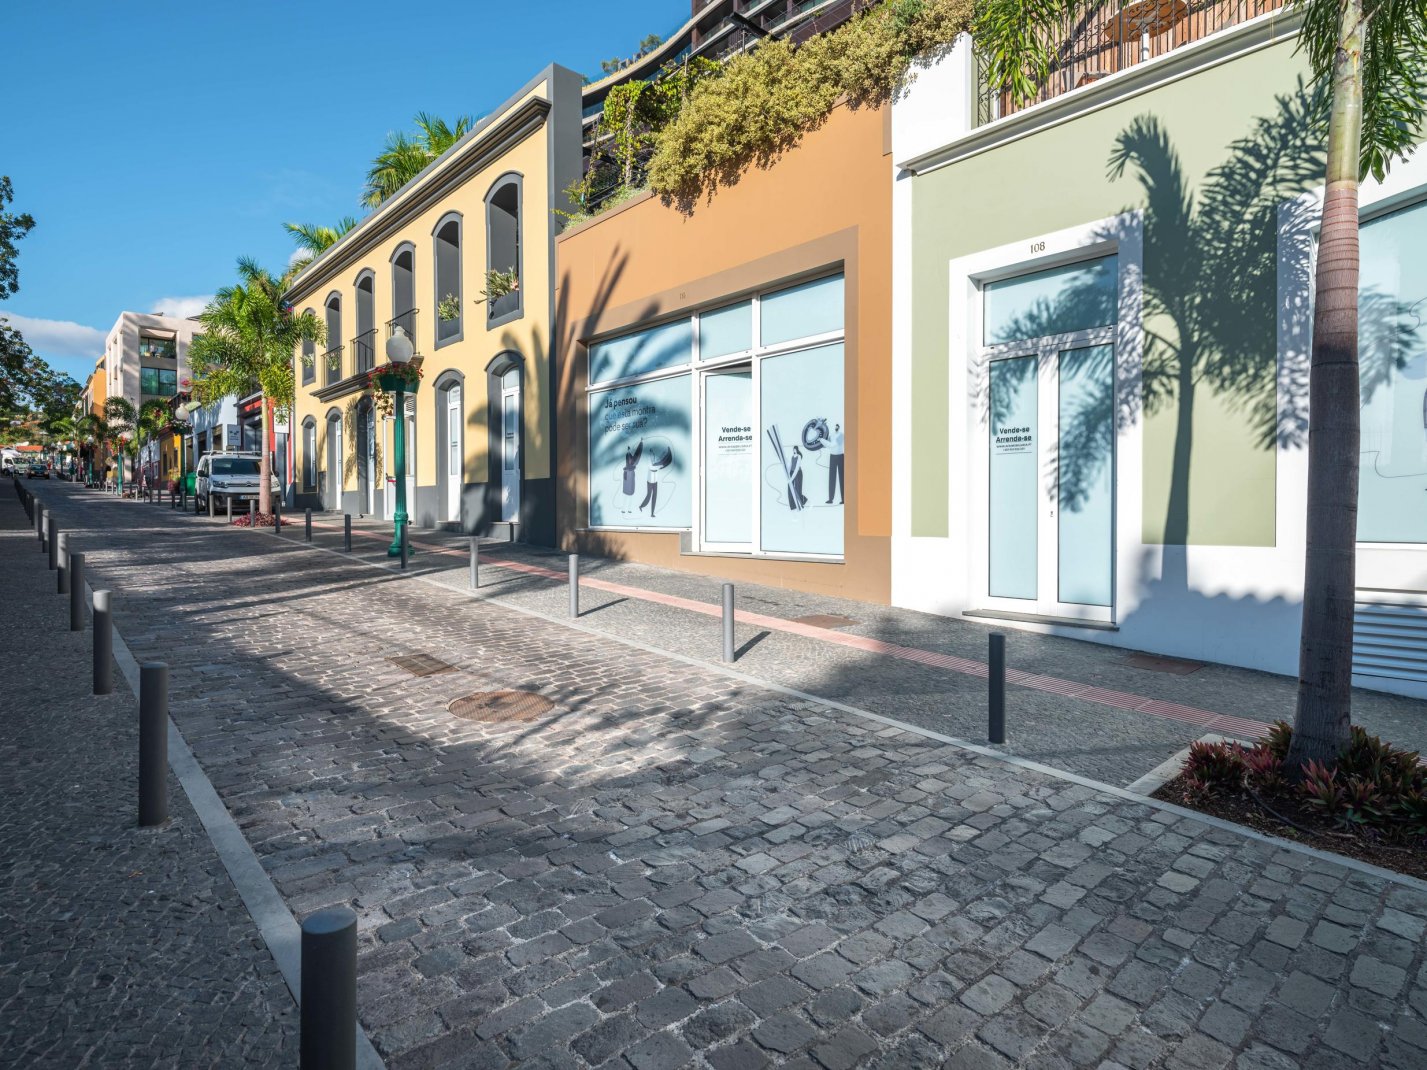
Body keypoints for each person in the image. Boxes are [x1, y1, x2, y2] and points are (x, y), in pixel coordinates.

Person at [826, 422, 845, 504]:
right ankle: (830, 499)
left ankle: (844, 499)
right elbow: (827, 445)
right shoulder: (831, 435)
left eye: (837, 426)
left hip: (840, 456)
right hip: (832, 456)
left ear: (839, 427)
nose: (836, 427)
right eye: (835, 426)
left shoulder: (842, 435)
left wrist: (823, 441)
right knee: (832, 477)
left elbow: (832, 445)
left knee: (842, 477)